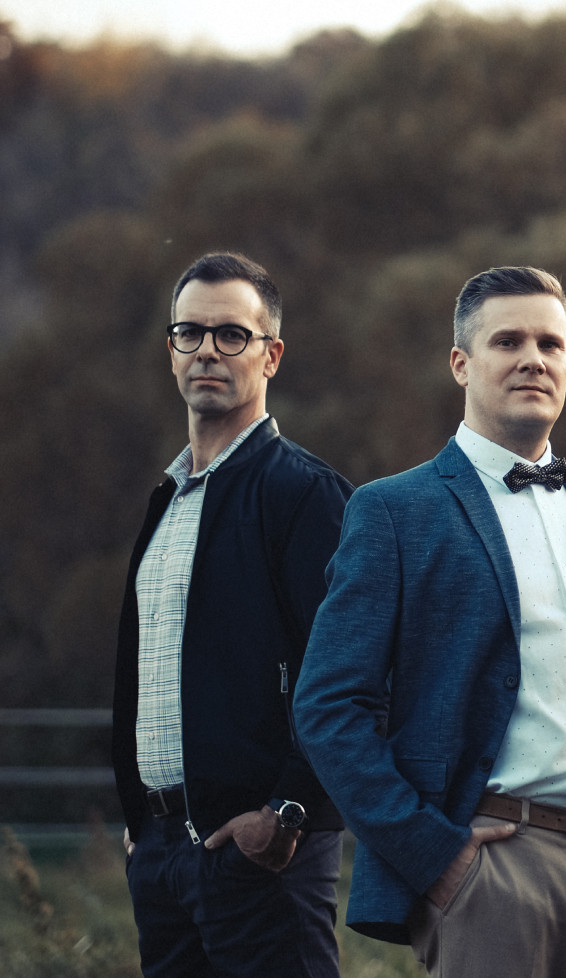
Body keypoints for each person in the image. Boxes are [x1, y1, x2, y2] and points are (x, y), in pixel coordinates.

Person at [293, 266, 566, 977]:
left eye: (551, 344)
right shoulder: (394, 511)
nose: (534, 359)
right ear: (461, 363)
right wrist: (432, 854)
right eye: (508, 341)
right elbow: (328, 706)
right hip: (491, 870)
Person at [111, 252, 353, 978]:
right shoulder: (167, 498)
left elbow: (349, 671)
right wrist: (140, 821)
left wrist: (289, 811)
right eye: (190, 333)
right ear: (171, 351)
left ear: (270, 355)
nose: (207, 351)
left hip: (261, 853)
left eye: (231, 335)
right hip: (160, 856)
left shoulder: (304, 494)